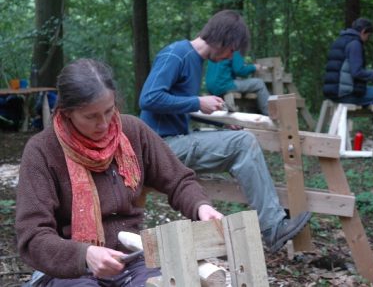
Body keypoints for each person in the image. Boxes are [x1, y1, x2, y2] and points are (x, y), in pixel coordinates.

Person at [15, 58, 223, 287]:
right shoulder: (42, 151)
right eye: (91, 116)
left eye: (108, 110)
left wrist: (201, 206)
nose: (103, 123)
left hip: (131, 261)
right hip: (69, 270)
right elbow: (32, 236)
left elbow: (178, 180)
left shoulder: (133, 131)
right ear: (67, 113)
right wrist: (84, 254)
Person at [139, 9, 311, 254]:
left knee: (239, 141)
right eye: (233, 51)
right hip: (157, 150)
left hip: (173, 142)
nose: (232, 56)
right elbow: (149, 98)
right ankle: (273, 226)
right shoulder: (176, 54)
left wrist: (221, 122)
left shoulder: (195, 60)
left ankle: (273, 217)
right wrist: (198, 102)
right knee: (243, 143)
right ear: (225, 41)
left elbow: (177, 104)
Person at [323, 17, 373, 140]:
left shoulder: (341, 40)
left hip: (335, 91)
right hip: (346, 93)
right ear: (363, 31)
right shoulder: (355, 44)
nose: (367, 39)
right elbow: (356, 73)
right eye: (368, 36)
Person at [205, 50, 270, 115]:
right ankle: (269, 114)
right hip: (223, 85)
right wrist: (254, 67)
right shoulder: (233, 48)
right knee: (259, 83)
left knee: (240, 80)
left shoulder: (216, 49)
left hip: (211, 87)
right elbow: (240, 70)